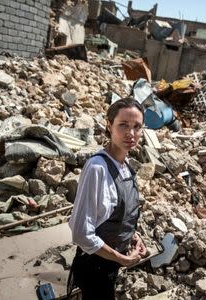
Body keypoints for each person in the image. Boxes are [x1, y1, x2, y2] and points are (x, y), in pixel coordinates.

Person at [67, 98, 147, 299]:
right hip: (95, 267)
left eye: (136, 126)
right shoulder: (97, 168)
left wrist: (132, 236)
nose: (131, 133)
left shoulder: (125, 165)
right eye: (123, 125)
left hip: (110, 263)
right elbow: (80, 233)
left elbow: (115, 214)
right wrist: (120, 258)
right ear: (109, 126)